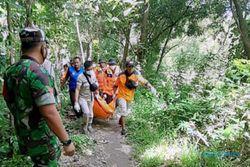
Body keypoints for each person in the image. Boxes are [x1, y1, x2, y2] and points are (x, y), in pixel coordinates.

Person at [2, 26, 75, 166]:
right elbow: (49, 113)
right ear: (43, 48)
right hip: (42, 139)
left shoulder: (10, 71)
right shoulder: (38, 73)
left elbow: (7, 99)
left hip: (24, 135)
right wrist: (67, 141)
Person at [114, 60, 157, 135]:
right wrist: (113, 94)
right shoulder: (121, 75)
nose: (130, 68)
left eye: (132, 67)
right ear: (126, 67)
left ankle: (121, 121)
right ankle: (123, 129)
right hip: (121, 95)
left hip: (129, 97)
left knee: (125, 111)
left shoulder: (136, 75)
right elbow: (115, 85)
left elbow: (144, 81)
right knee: (124, 110)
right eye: (129, 67)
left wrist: (151, 87)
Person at [74, 60, 98, 134]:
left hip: (90, 97)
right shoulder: (81, 77)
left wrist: (96, 89)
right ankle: (84, 127)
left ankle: (89, 126)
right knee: (86, 113)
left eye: (91, 69)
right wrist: (76, 102)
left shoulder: (93, 74)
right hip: (83, 98)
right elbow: (77, 89)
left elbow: (95, 82)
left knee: (91, 114)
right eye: (89, 69)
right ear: (85, 69)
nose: (90, 71)